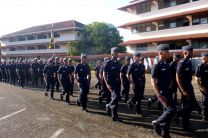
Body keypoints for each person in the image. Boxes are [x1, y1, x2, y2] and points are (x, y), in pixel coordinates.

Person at [151, 44, 176, 138]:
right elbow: (152, 80)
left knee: (168, 113)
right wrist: (158, 95)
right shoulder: (156, 65)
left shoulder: (166, 63)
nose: (169, 53)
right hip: (162, 92)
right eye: (167, 51)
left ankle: (166, 134)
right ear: (161, 52)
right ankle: (157, 122)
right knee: (172, 110)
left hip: (168, 90)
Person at [176, 45, 197, 132]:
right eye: (190, 52)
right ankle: (179, 116)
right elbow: (177, 77)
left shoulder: (189, 62)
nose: (192, 53)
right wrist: (183, 90)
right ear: (185, 52)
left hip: (189, 86)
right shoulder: (182, 63)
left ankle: (183, 120)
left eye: (192, 52)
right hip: (185, 88)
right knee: (187, 105)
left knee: (192, 105)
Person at [104, 47, 122, 121]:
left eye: (117, 52)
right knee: (116, 96)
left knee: (116, 98)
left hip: (117, 83)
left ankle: (114, 116)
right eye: (115, 52)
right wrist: (107, 84)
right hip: (111, 83)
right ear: (112, 53)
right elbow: (104, 73)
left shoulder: (118, 63)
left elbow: (119, 73)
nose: (117, 53)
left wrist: (119, 79)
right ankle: (108, 105)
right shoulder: (108, 62)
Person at [195, 52, 208, 121]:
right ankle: (204, 115)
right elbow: (196, 78)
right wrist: (201, 87)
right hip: (204, 86)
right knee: (205, 101)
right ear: (204, 58)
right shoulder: (200, 66)